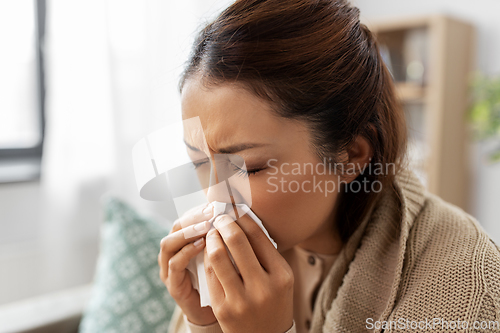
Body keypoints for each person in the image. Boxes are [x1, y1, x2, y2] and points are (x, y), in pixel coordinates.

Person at [157, 0, 500, 332]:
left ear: (351, 155)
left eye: (249, 168)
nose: (217, 201)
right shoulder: (235, 259)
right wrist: (205, 323)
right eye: (199, 162)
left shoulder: (467, 282)